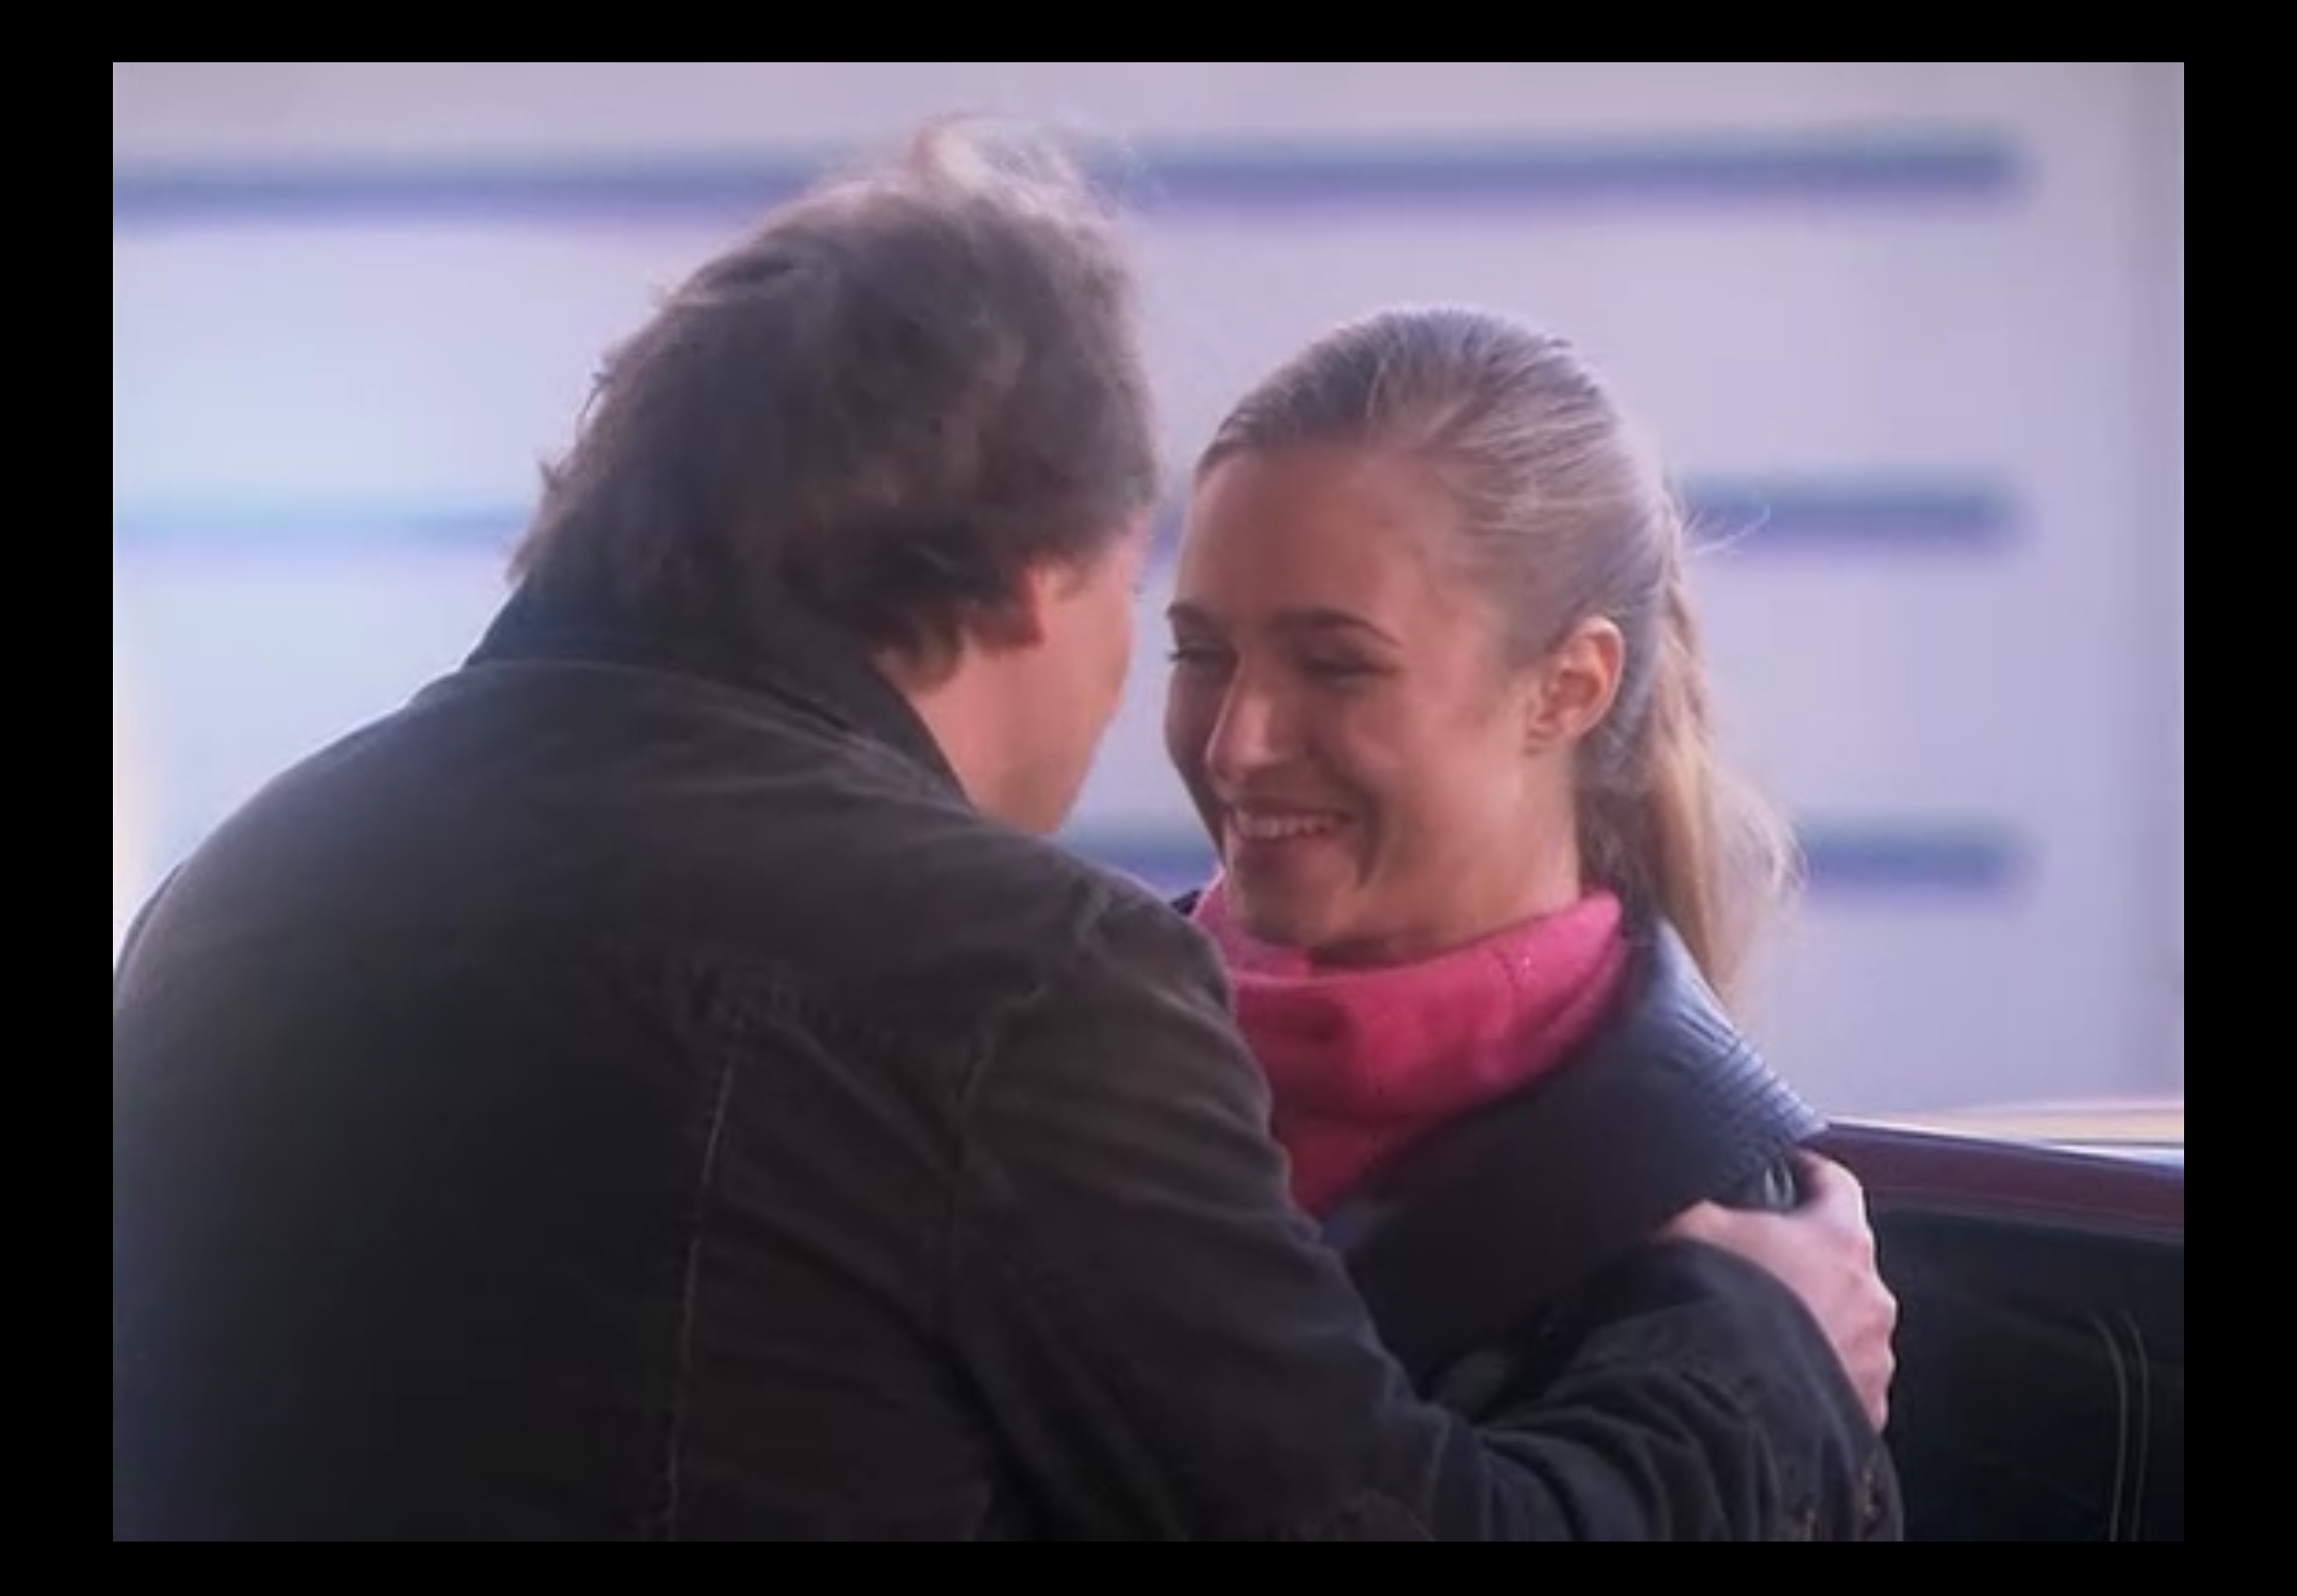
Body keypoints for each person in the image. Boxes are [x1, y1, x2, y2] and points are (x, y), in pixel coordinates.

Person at [111, 117, 1894, 1542]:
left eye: (1334, 660)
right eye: (1175, 631)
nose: (1222, 733)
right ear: (1048, 577)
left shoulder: (242, 878)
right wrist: (1763, 1356)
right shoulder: (1015, 987)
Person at [1158, 305, 1905, 1539]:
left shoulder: (1714, 1210)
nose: (1236, 742)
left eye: (1334, 664)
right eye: (1199, 653)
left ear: (1568, 684)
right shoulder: (1055, 1062)